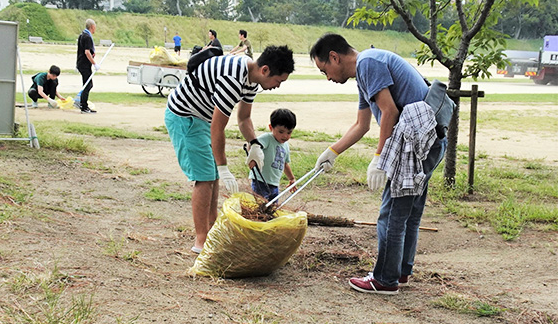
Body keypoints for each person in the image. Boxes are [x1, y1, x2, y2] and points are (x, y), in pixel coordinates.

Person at [310, 33, 447, 295]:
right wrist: (332, 152)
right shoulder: (365, 71)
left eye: (324, 69)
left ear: (334, 57)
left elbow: (390, 111)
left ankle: (385, 279)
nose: (327, 77)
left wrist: (380, 159)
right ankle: (401, 271)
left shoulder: (367, 64)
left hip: (416, 144)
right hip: (428, 142)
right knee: (409, 212)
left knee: (392, 213)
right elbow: (362, 125)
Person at [165, 45, 295, 254]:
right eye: (278, 81)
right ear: (265, 70)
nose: (277, 86)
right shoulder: (233, 79)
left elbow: (243, 119)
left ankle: (212, 227)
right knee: (205, 177)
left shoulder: (251, 79)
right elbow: (218, 127)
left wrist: (254, 144)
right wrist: (224, 166)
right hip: (186, 117)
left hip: (201, 119)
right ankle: (201, 241)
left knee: (211, 175)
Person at [249, 108, 297, 201]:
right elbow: (253, 146)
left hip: (274, 184)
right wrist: (253, 160)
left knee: (273, 208)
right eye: (281, 132)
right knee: (260, 206)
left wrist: (291, 179)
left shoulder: (285, 145)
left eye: (289, 132)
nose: (285, 136)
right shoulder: (267, 138)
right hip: (260, 181)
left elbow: (285, 164)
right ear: (271, 128)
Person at [76, 18, 99, 114]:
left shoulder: (82, 35)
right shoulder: (87, 37)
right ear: (92, 27)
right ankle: (83, 106)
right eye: (95, 28)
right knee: (88, 84)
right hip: (84, 64)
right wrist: (94, 63)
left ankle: (83, 104)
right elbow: (87, 52)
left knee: (87, 84)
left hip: (82, 63)